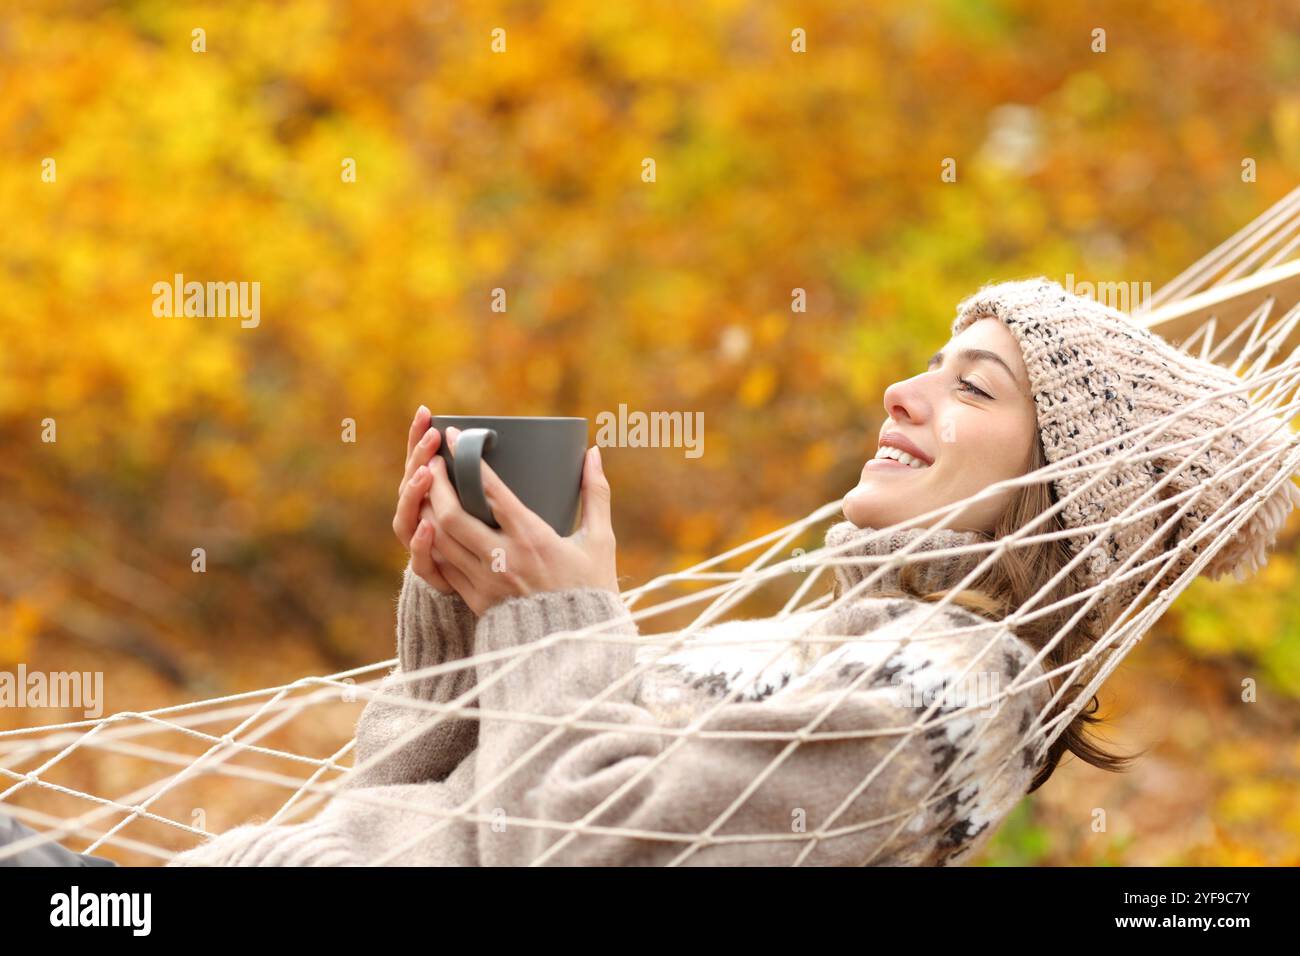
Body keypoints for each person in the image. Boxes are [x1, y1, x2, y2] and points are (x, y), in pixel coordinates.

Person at [146, 277, 1289, 865]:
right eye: (929, 364)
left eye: (973, 386)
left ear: (1062, 496)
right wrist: (465, 602)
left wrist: (558, 617)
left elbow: (586, 853)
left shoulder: (945, 701)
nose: (903, 390)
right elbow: (413, 808)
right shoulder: (802, 646)